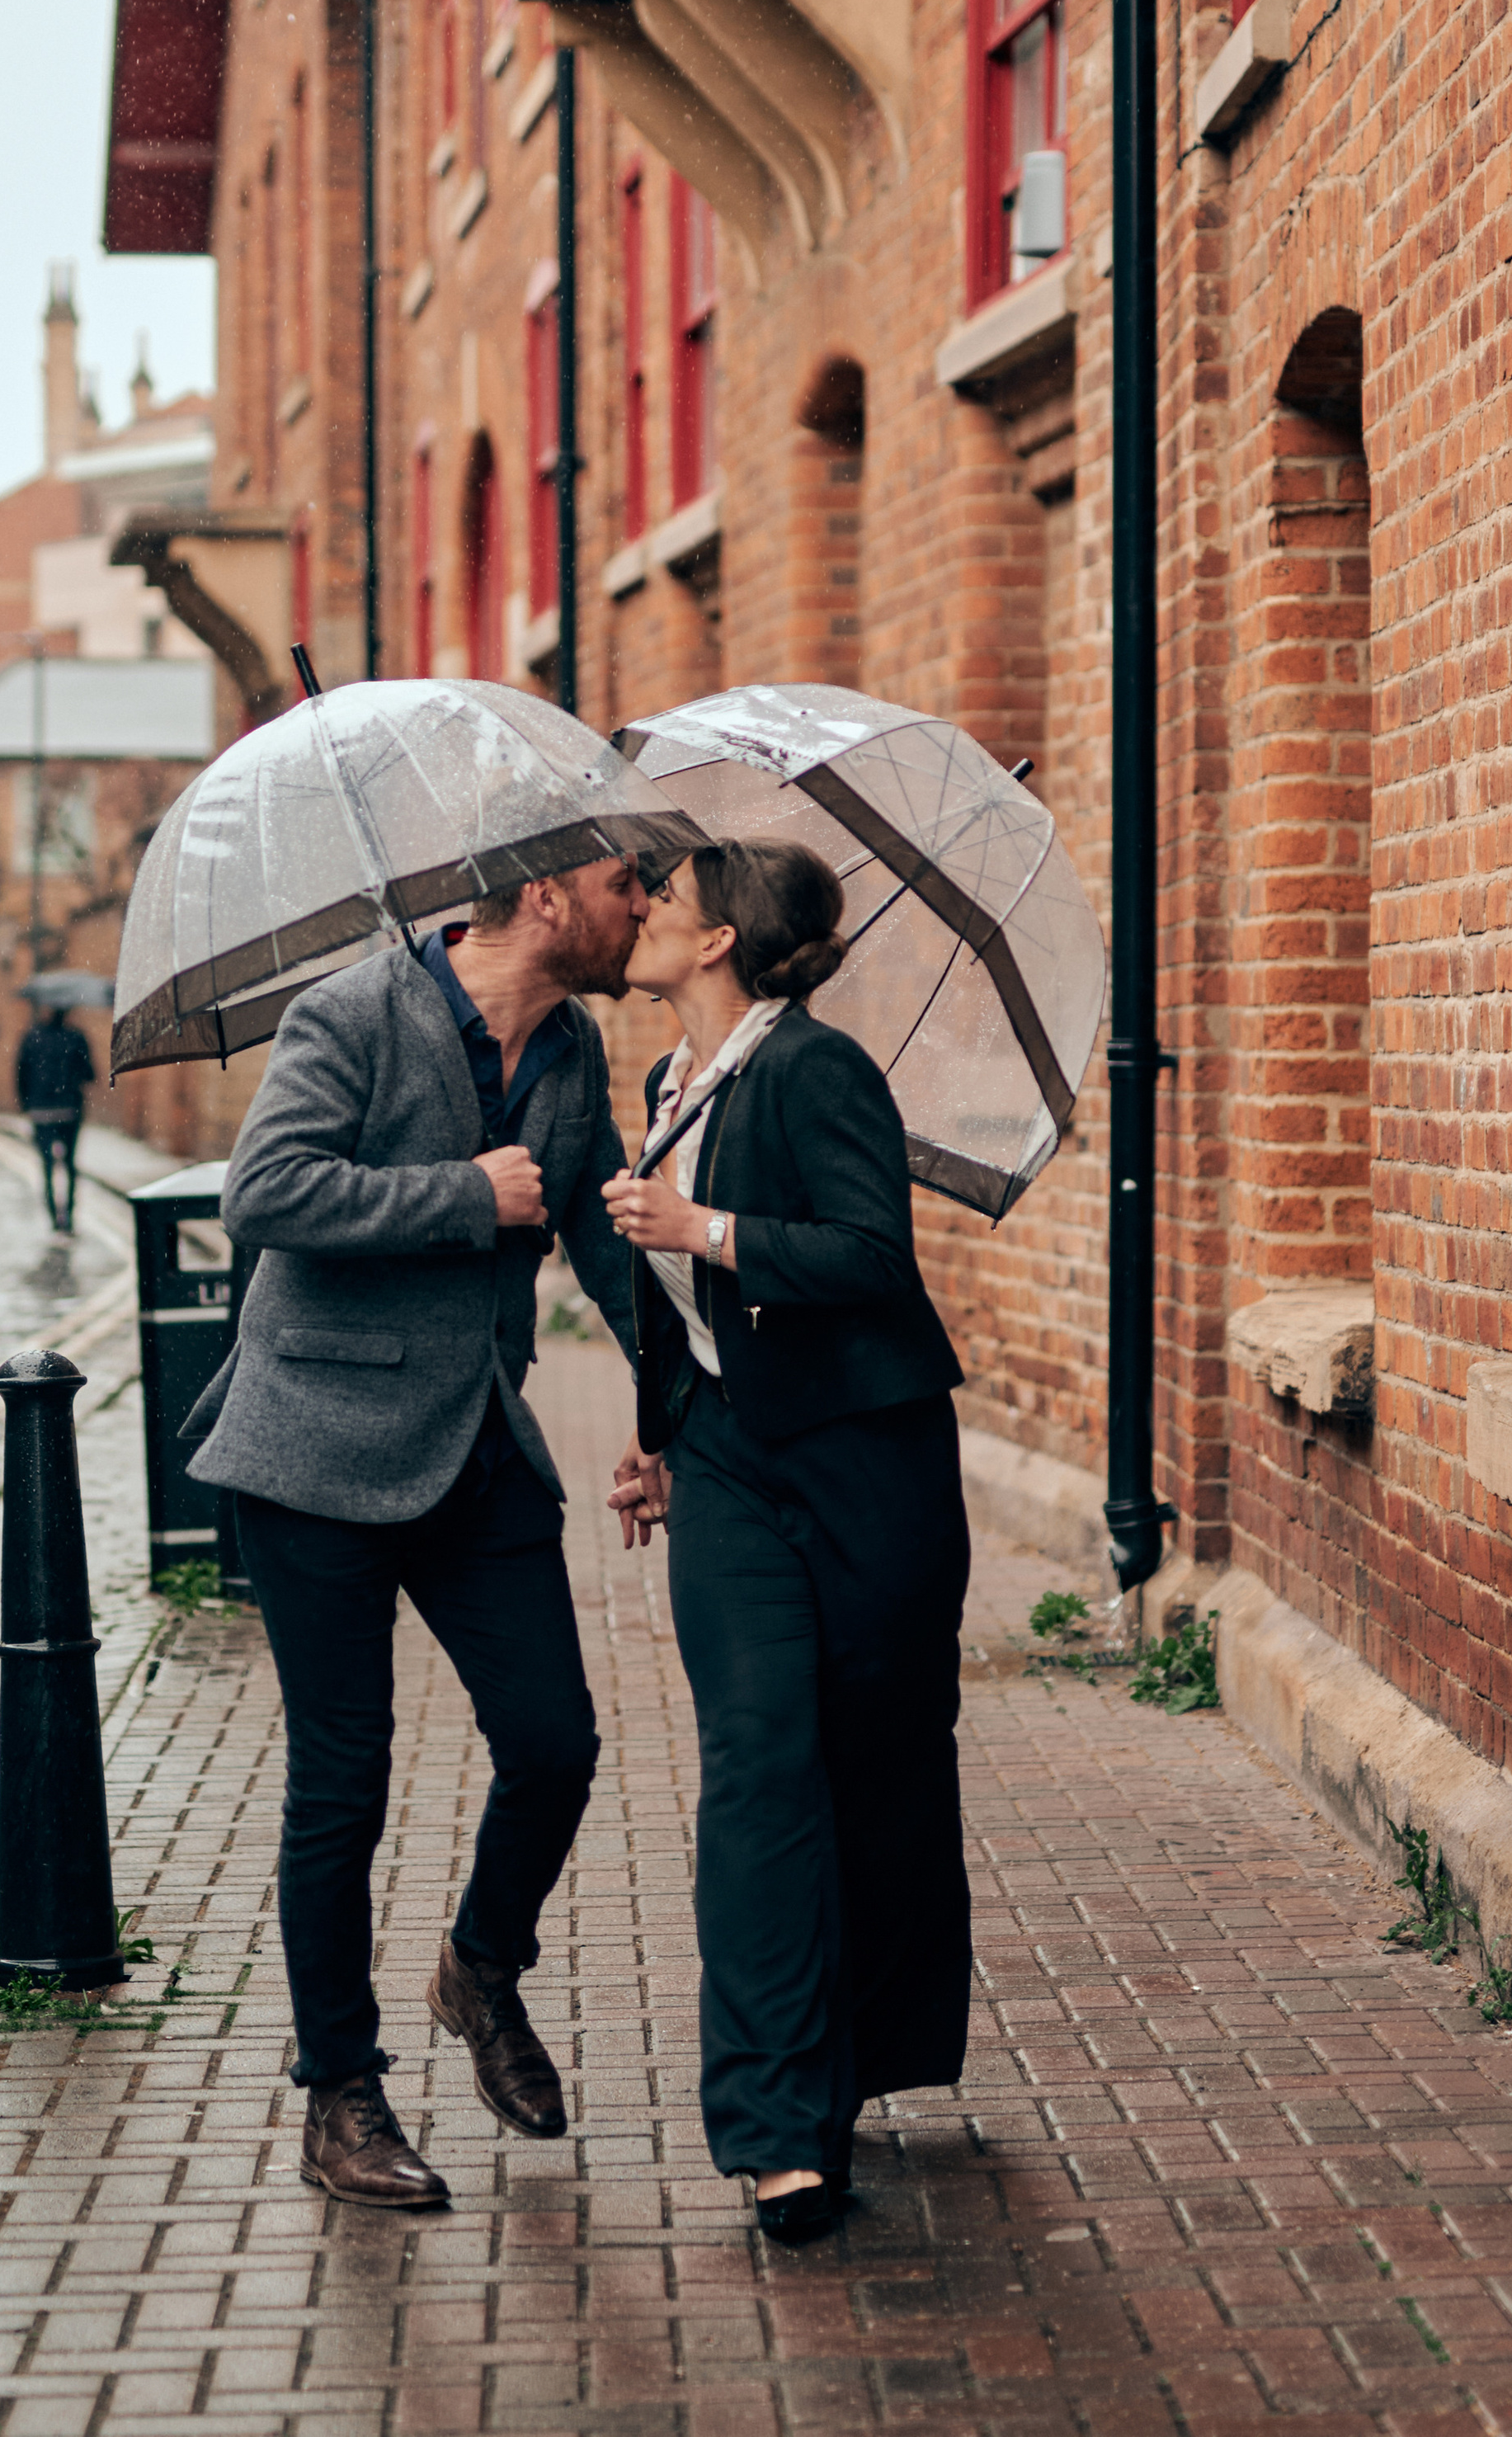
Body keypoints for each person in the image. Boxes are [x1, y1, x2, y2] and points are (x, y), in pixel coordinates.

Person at [181, 854, 649, 2213]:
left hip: (477, 1444)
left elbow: (602, 1235)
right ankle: (341, 2092)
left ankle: (480, 1964)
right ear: (552, 894)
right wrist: (463, 1194)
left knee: (557, 1738)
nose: (646, 906)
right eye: (628, 882)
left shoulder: (571, 1044)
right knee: (346, 1781)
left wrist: (677, 1408)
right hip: (312, 1446)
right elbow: (264, 1194)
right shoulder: (353, 1013)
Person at [603, 841, 972, 2246]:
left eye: (664, 895)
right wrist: (660, 1435)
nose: (638, 909)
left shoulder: (818, 1070)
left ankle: (856, 2059)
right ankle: (776, 2134)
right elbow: (678, 1299)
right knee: (759, 1762)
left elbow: (876, 1257)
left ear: (718, 941)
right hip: (733, 1470)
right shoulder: (669, 1085)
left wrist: (707, 1222)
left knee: (873, 1768)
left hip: (866, 1466)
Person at [16, 1006, 97, 1233]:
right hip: (69, 1109)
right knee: (70, 1165)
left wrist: (27, 1105)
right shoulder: (76, 1037)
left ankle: (54, 1216)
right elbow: (90, 1074)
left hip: (40, 1112)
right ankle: (69, 1216)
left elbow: (21, 1074)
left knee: (47, 1167)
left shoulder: (31, 1037)